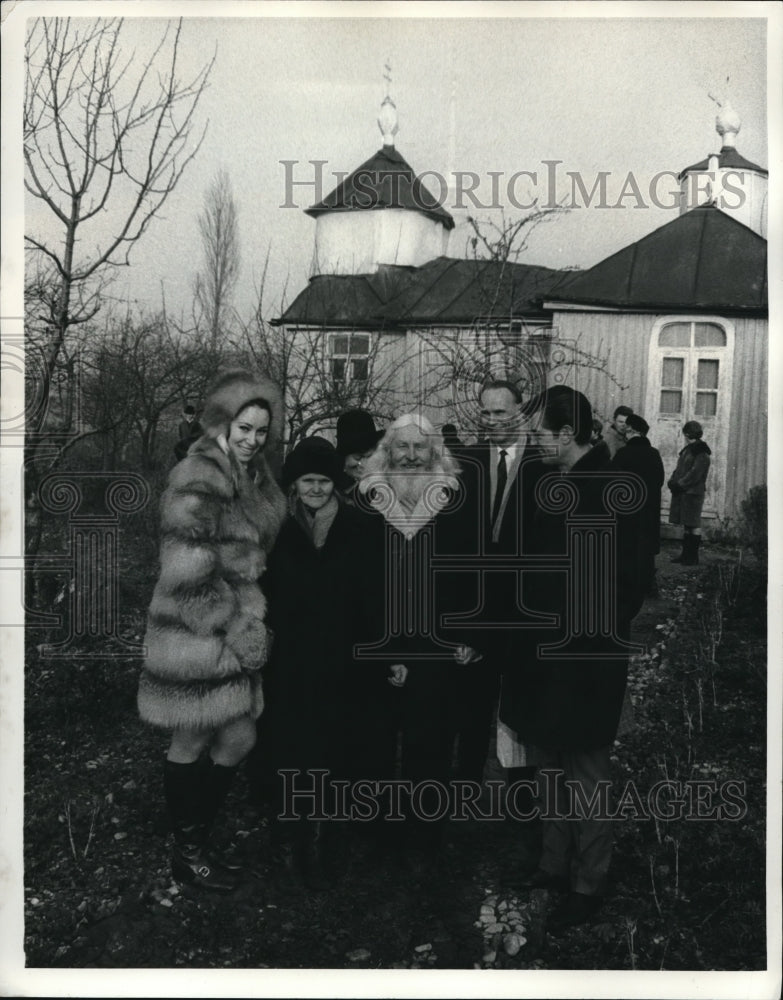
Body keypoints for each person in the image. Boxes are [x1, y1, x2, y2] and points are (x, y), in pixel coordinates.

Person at [500, 386, 643, 931]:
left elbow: (628, 583)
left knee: (585, 772)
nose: (533, 441)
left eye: (539, 433)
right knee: (550, 764)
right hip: (546, 657)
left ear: (566, 434)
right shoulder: (549, 481)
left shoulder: (611, 489)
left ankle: (588, 883)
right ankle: (553, 864)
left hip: (586, 661)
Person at [138, 370, 286, 892]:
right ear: (222, 424)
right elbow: (188, 568)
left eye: (261, 431)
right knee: (195, 735)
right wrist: (236, 625)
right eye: (244, 429)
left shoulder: (254, 477)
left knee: (240, 737)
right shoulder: (200, 475)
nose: (252, 440)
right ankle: (189, 854)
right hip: (196, 628)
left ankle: (194, 841)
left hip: (233, 626)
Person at [355, 413, 472, 855]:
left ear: (434, 452)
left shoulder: (455, 501)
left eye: (419, 447)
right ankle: (378, 832)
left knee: (431, 744)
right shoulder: (368, 501)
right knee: (375, 744)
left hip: (435, 644)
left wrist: (466, 634)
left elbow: (472, 574)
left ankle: (424, 837)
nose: (409, 456)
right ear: (386, 452)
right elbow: (358, 583)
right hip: (378, 641)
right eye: (400, 447)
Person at [260, 436, 369, 890]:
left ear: (335, 484)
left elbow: (371, 594)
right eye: (308, 480)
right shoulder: (278, 529)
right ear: (294, 484)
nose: (316, 489)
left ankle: (328, 838)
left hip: (341, 658)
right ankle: (291, 837)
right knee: (289, 746)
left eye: (324, 481)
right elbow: (264, 591)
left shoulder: (358, 527)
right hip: (289, 659)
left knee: (335, 746)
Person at [454, 381, 548, 798]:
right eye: (485, 413)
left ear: (520, 413)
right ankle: (466, 785)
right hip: (477, 611)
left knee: (520, 707)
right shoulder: (467, 462)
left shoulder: (543, 466)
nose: (491, 421)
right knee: (472, 705)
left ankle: (520, 798)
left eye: (500, 413)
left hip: (524, 613)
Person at [611, 413, 665, 596]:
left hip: (627, 511)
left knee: (626, 547)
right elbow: (659, 481)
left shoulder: (623, 454)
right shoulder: (654, 454)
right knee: (646, 549)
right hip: (649, 510)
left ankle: (626, 586)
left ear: (631, 431)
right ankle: (648, 586)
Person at [667, 420, 711, 566]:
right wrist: (673, 480)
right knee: (687, 524)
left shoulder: (701, 452)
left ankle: (692, 557)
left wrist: (679, 484)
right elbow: (680, 469)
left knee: (693, 524)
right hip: (686, 493)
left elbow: (695, 474)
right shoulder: (689, 449)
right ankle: (685, 555)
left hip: (693, 493)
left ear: (686, 434)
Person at [335, 409, 384, 503]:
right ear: (343, 458)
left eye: (369, 456)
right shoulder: (331, 489)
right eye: (358, 457)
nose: (364, 464)